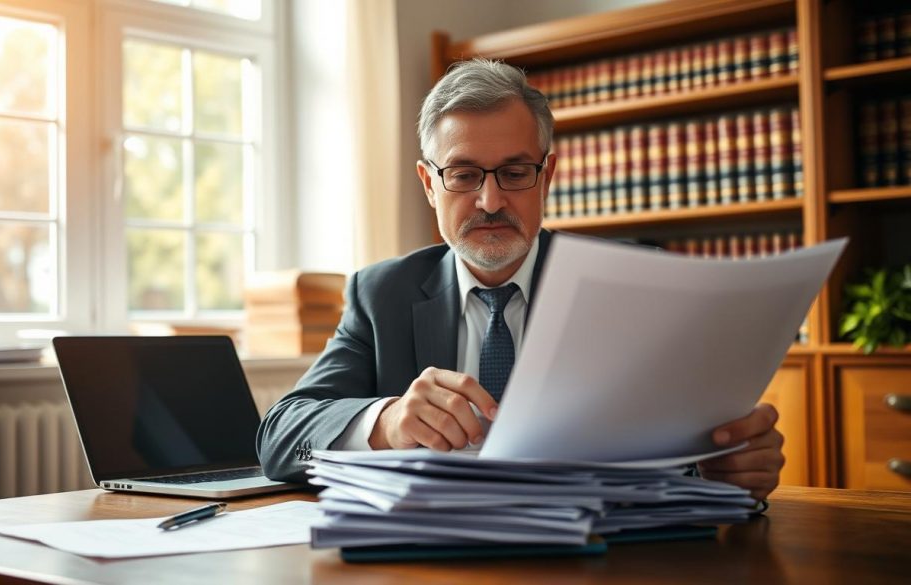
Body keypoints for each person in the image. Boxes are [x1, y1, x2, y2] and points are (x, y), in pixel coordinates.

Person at [256, 59, 784, 500]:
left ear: (546, 176)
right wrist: (388, 422)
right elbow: (280, 436)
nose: (490, 202)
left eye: (514, 173)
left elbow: (689, 449)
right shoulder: (381, 294)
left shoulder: (628, 285)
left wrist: (722, 466)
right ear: (428, 183)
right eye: (463, 175)